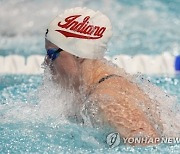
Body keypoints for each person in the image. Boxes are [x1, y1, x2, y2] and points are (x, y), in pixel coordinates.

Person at [43, 7, 164, 145]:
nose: (46, 63)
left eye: (51, 54)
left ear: (78, 54)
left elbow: (149, 142)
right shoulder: (100, 86)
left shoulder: (105, 99)